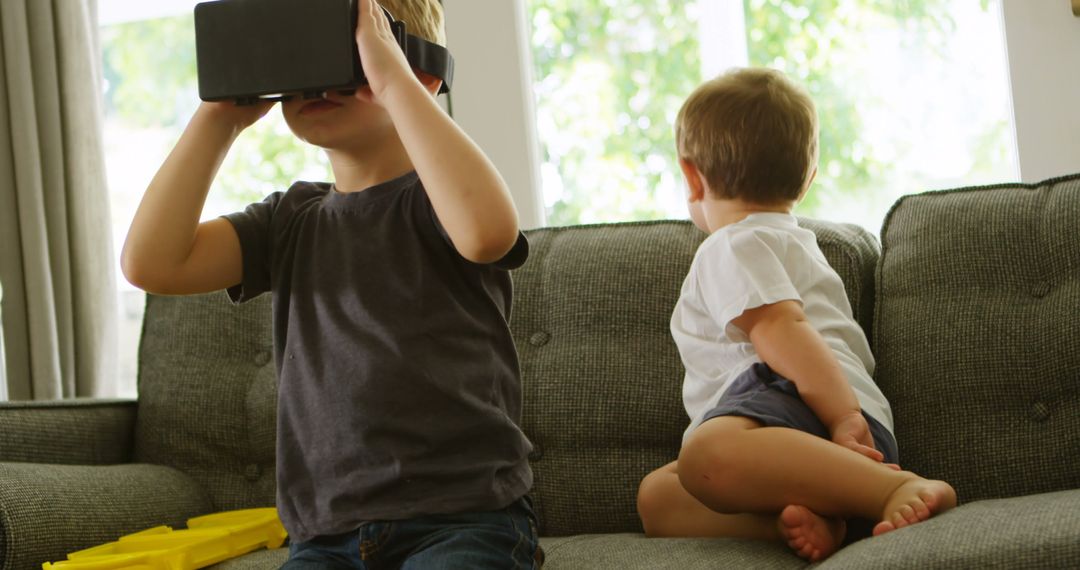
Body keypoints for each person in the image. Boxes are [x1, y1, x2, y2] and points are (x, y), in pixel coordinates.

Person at [121, 0, 542, 567]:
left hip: (462, 518)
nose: (320, 79)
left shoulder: (442, 198)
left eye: (348, 54)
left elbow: (487, 232)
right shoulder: (288, 219)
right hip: (324, 535)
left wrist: (392, 82)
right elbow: (152, 263)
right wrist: (220, 114)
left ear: (416, 71)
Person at [635, 67, 956, 562]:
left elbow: (782, 330)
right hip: (838, 436)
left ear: (691, 176)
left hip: (806, 409)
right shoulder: (795, 243)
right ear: (806, 180)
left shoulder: (733, 244)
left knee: (706, 455)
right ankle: (825, 517)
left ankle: (893, 491)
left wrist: (843, 416)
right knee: (658, 499)